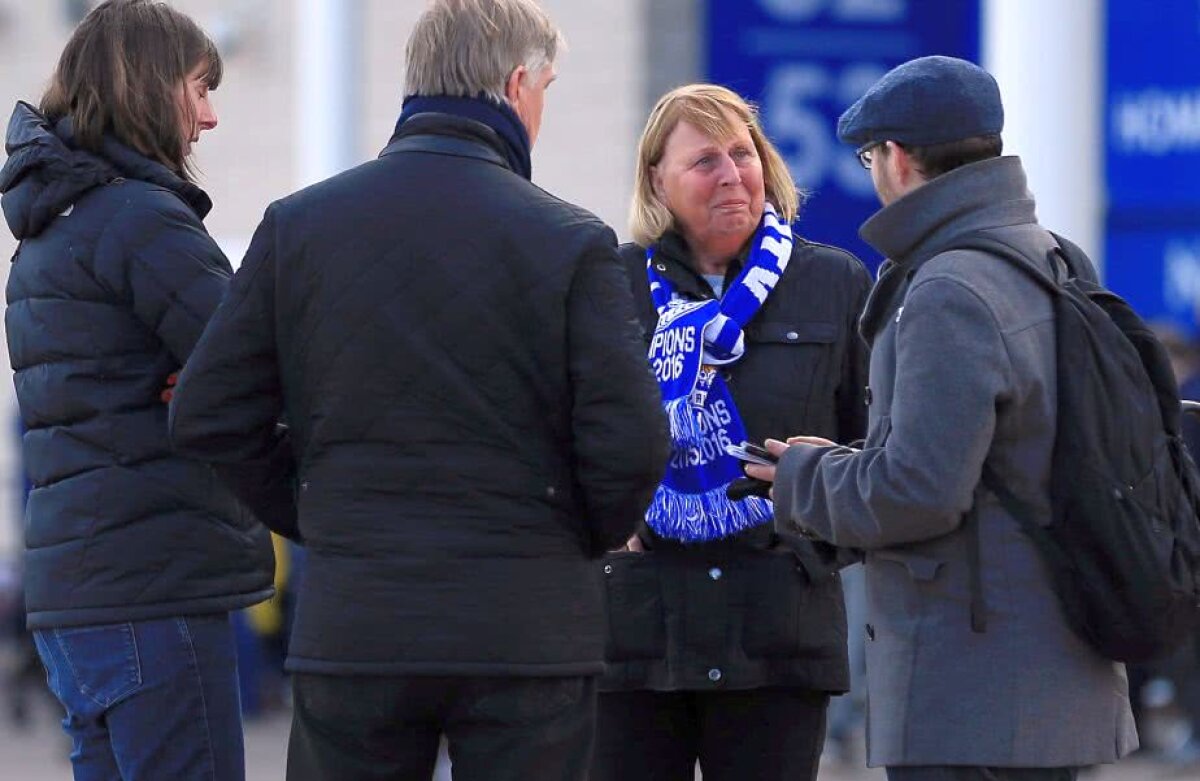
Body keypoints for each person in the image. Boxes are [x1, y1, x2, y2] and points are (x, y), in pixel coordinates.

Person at [167, 1, 669, 779]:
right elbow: (631, 438)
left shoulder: (302, 226)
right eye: (547, 87)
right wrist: (571, 538)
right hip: (526, 630)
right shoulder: (570, 241)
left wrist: (315, 512)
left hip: (357, 621)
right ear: (514, 85)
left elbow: (208, 411)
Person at [747, 56, 1139, 781]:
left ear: (895, 158)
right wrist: (846, 464)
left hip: (971, 691)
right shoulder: (1055, 260)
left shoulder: (948, 289)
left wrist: (803, 475)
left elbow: (919, 489)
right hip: (1056, 667)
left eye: (868, 156)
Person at [0, 1, 276, 779]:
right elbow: (257, 367)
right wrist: (218, 383)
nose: (210, 116)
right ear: (150, 88)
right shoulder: (140, 220)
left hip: (74, 598)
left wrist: (205, 378)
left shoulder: (49, 231)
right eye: (199, 87)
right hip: (152, 592)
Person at [591, 83, 871, 781]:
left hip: (777, 629)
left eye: (742, 153)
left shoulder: (833, 283)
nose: (732, 174)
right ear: (657, 178)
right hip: (636, 633)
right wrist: (598, 519)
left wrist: (816, 536)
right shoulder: (607, 286)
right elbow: (564, 431)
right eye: (705, 160)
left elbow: (877, 449)